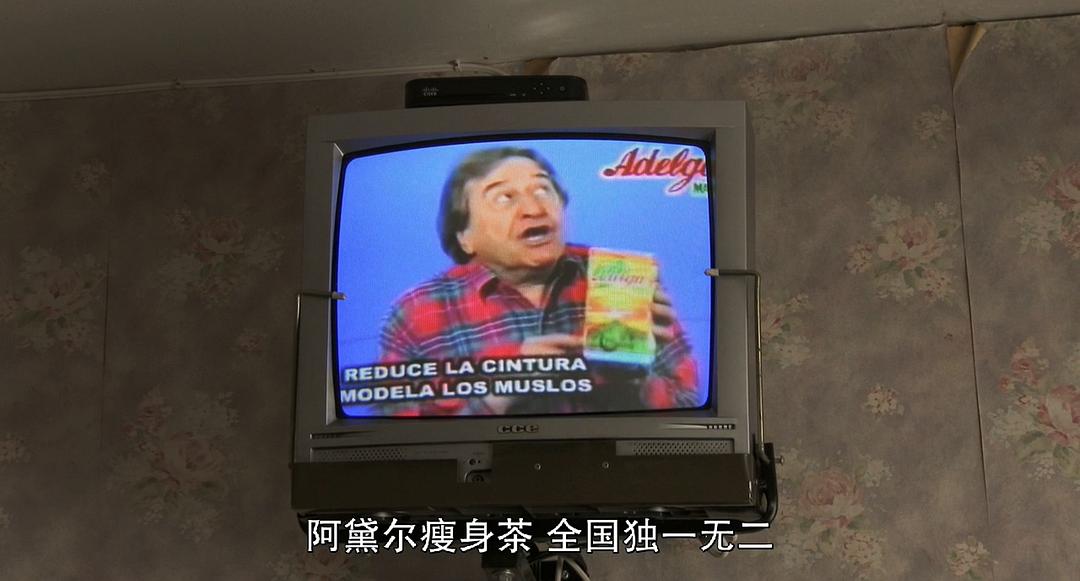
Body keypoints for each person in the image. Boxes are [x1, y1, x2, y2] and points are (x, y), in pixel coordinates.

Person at [377, 147, 699, 416]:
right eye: (504, 198)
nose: (534, 208)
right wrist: (498, 392)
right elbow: (401, 441)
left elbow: (688, 406)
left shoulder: (622, 279)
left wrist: (632, 379)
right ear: (465, 236)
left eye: (543, 190)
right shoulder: (417, 313)